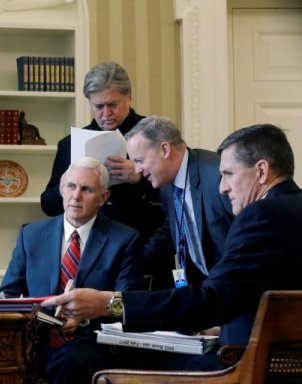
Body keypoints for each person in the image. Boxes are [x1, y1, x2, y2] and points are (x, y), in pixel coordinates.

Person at [44, 123, 302, 371]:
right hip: (268, 346)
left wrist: (109, 303)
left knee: (124, 368)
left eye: (229, 174)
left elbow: (213, 299)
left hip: (249, 359)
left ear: (261, 171)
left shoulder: (259, 215)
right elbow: (250, 289)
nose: (222, 187)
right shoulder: (289, 208)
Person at [0, 157, 144, 384]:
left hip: (92, 343)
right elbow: (6, 295)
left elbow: (127, 305)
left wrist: (85, 318)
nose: (76, 196)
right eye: (71, 186)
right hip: (35, 341)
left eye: (86, 189)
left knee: (68, 361)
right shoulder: (31, 235)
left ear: (103, 197)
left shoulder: (124, 240)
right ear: (62, 190)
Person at [40, 62, 163, 245]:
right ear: (89, 102)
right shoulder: (69, 144)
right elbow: (48, 206)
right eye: (98, 106)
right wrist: (63, 188)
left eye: (113, 105)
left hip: (145, 245)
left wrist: (141, 178)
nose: (106, 113)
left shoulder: (157, 133)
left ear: (128, 97)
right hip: (88, 251)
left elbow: (180, 194)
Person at [125, 116, 234, 290]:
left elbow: (247, 234)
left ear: (165, 150)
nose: (137, 169)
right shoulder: (167, 185)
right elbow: (170, 231)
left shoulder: (217, 175)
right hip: (205, 289)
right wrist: (129, 264)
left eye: (139, 160)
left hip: (239, 290)